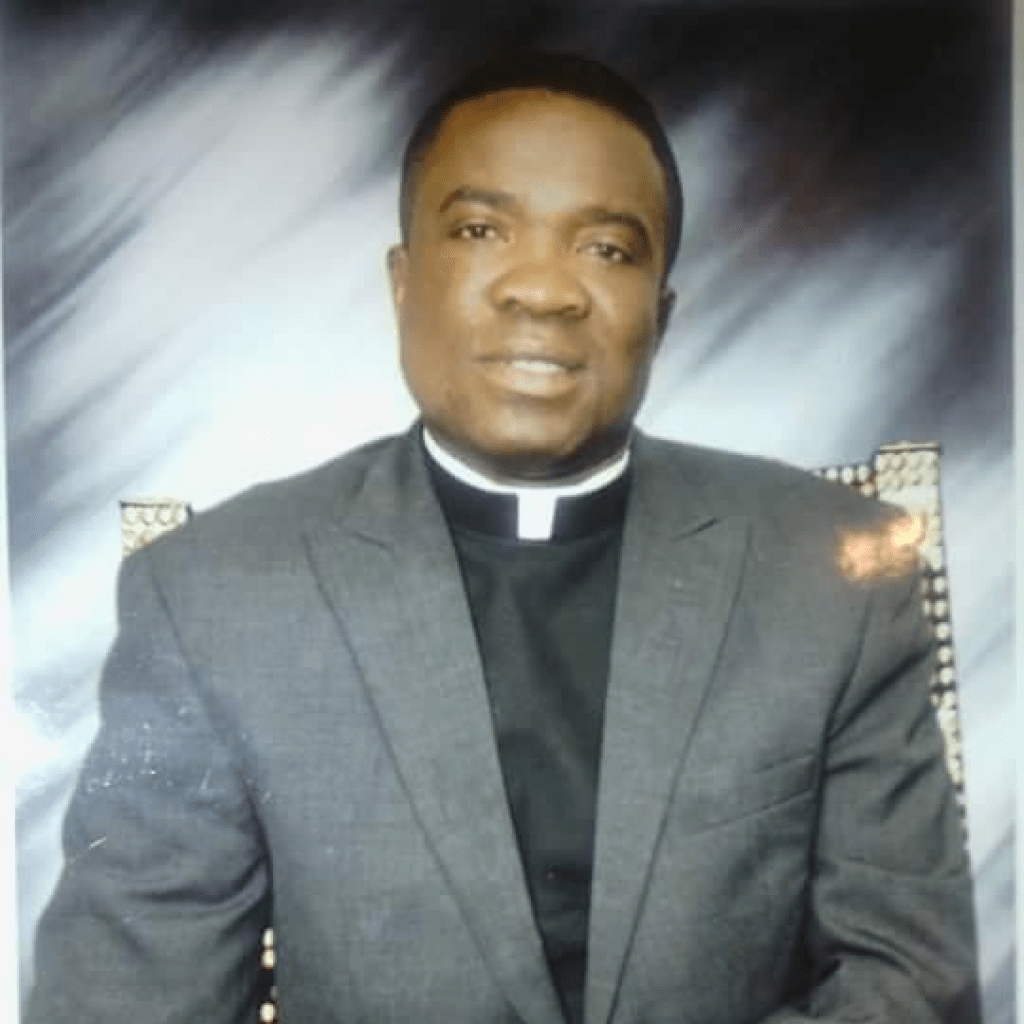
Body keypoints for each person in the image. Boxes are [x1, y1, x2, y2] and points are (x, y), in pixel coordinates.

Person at [26, 51, 979, 1024]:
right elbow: (122, 1000)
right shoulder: (215, 592)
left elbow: (908, 982)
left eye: (607, 249)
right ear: (403, 283)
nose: (544, 291)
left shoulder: (836, 577)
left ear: (661, 316)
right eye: (481, 230)